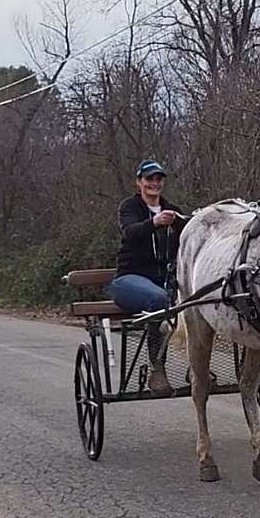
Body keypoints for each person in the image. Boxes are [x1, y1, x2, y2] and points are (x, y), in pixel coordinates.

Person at [107, 160, 187, 397]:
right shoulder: (129, 207)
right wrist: (154, 222)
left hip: (166, 280)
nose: (154, 183)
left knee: (195, 303)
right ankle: (157, 368)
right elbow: (130, 232)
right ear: (139, 182)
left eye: (158, 179)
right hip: (129, 280)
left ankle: (196, 368)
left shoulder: (172, 209)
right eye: (149, 179)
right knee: (160, 299)